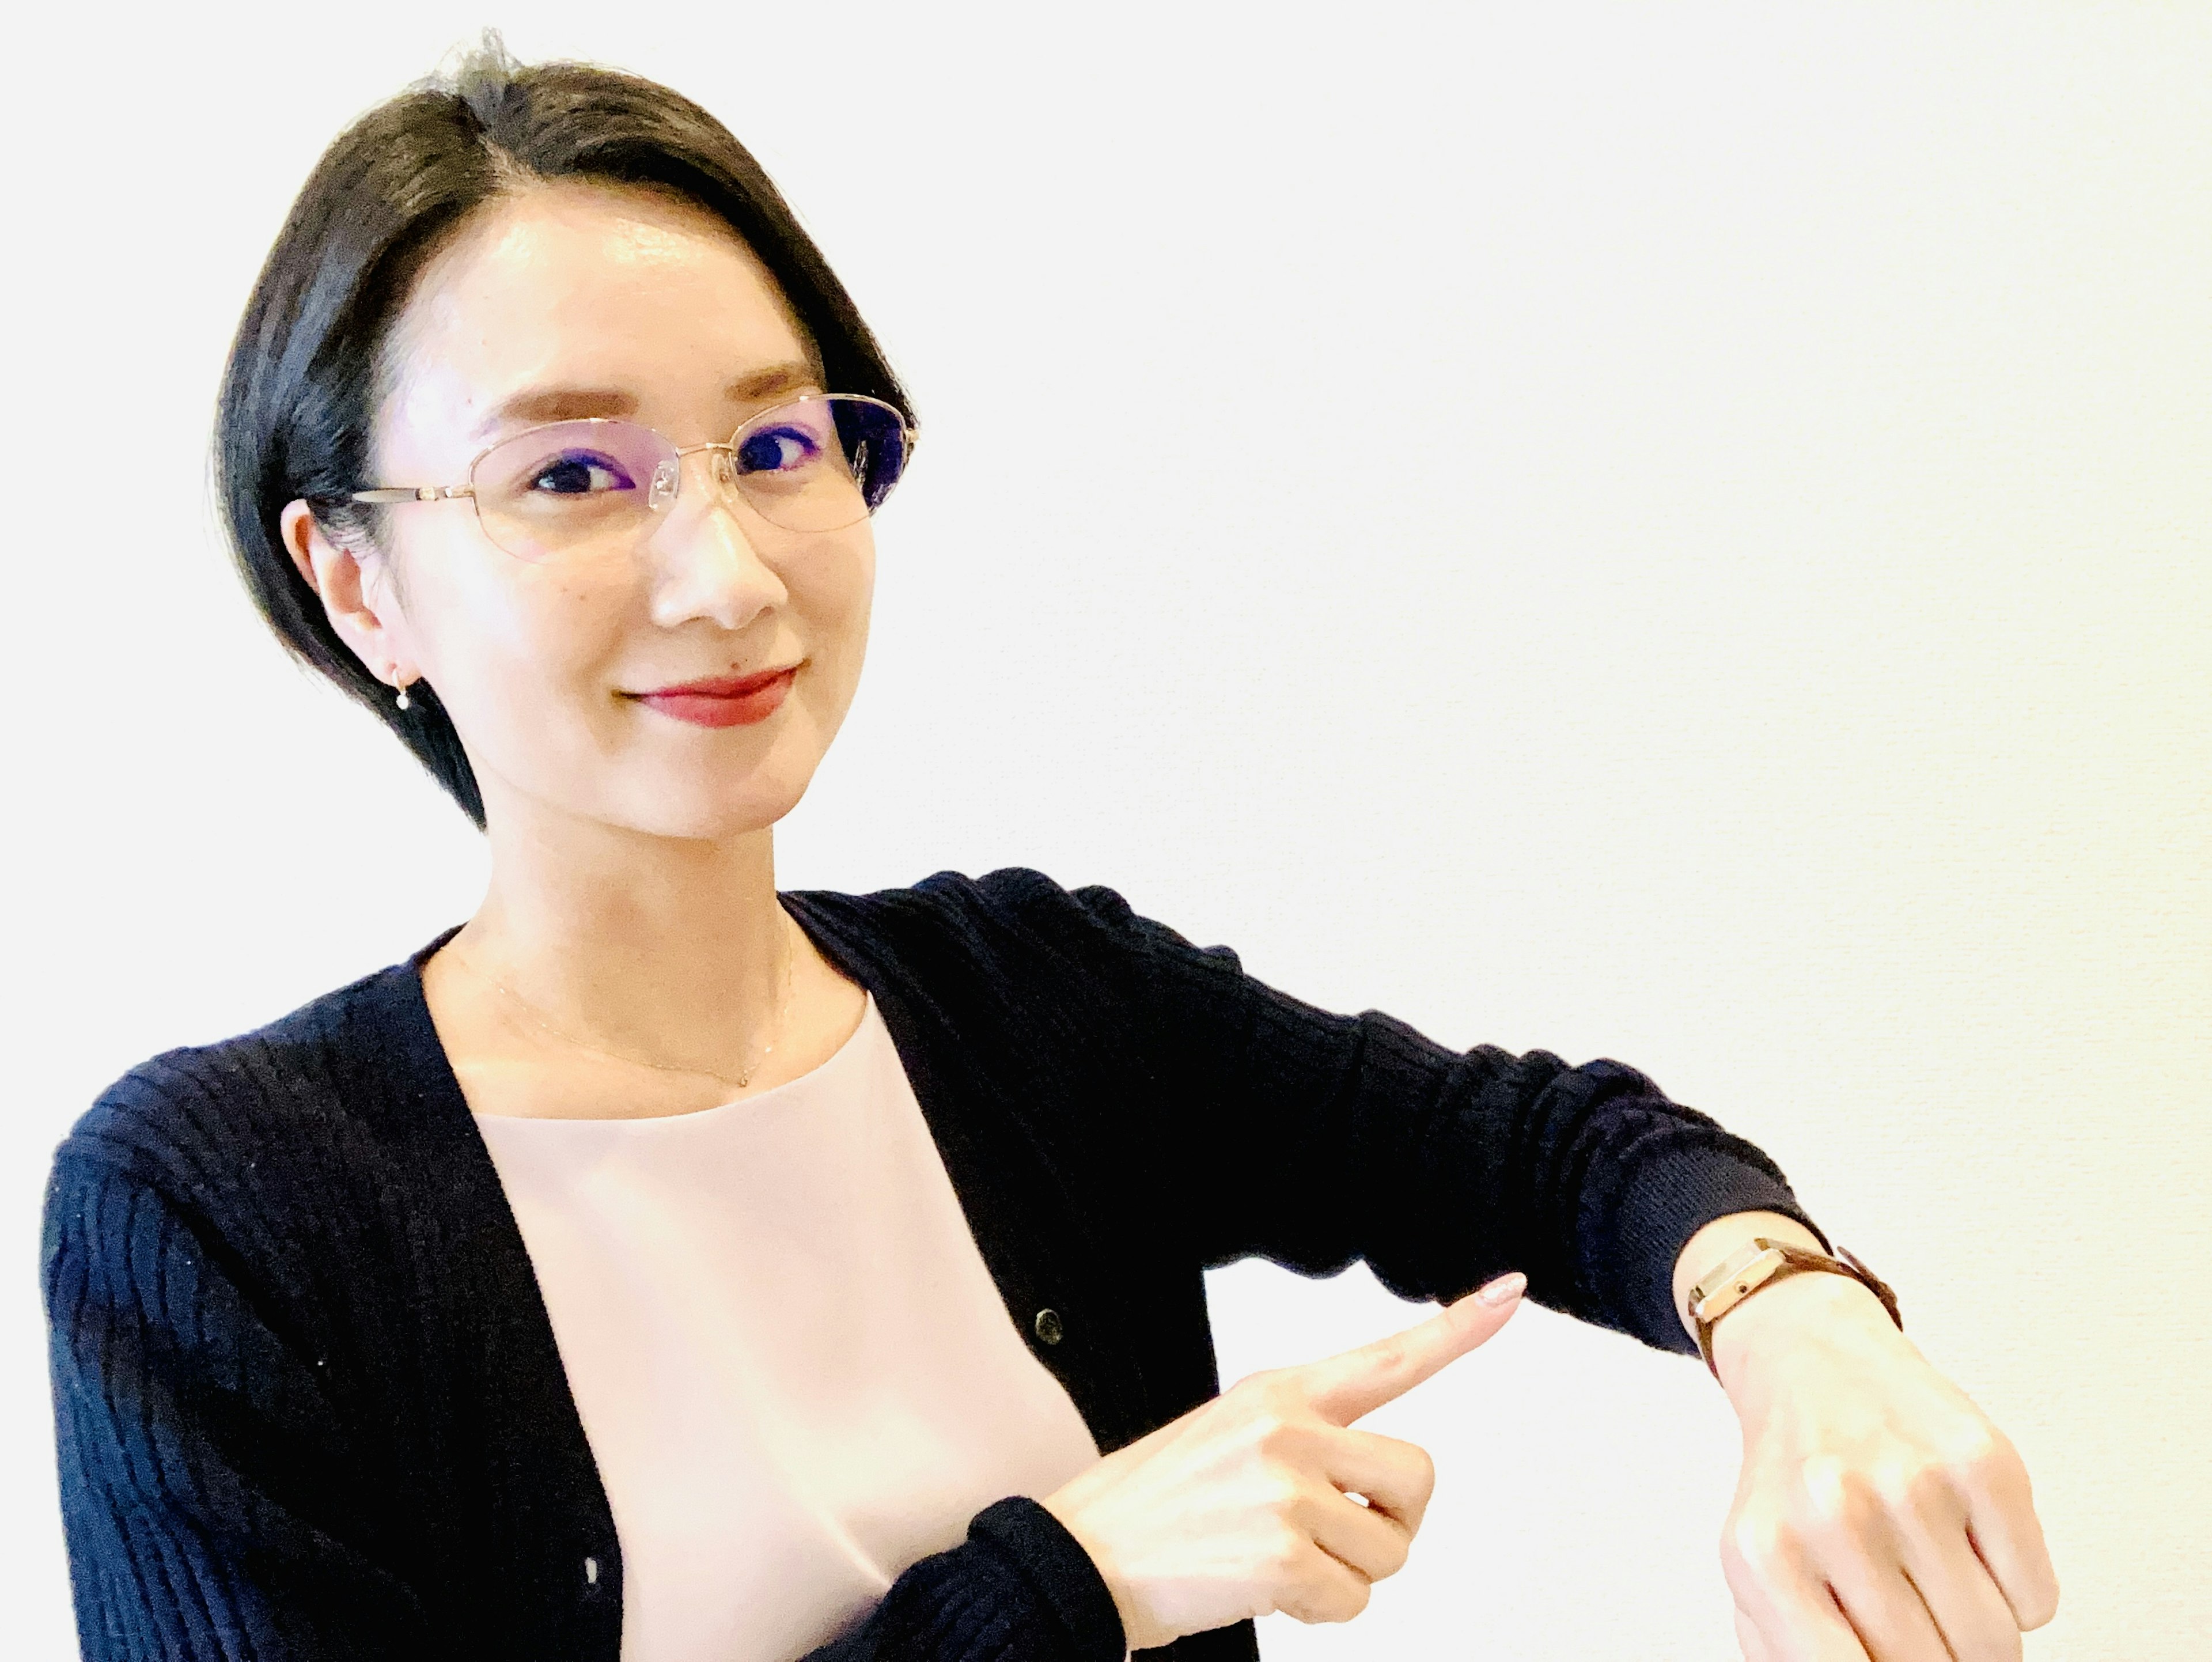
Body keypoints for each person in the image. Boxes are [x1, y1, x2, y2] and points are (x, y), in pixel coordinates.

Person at [40, 38, 2058, 1662]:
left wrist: (1792, 1321)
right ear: (356, 582)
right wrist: (1069, 1584)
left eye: (777, 444)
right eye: (571, 473)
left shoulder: (1037, 1006)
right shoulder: (214, 1213)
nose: (724, 569)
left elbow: (1547, 1151)